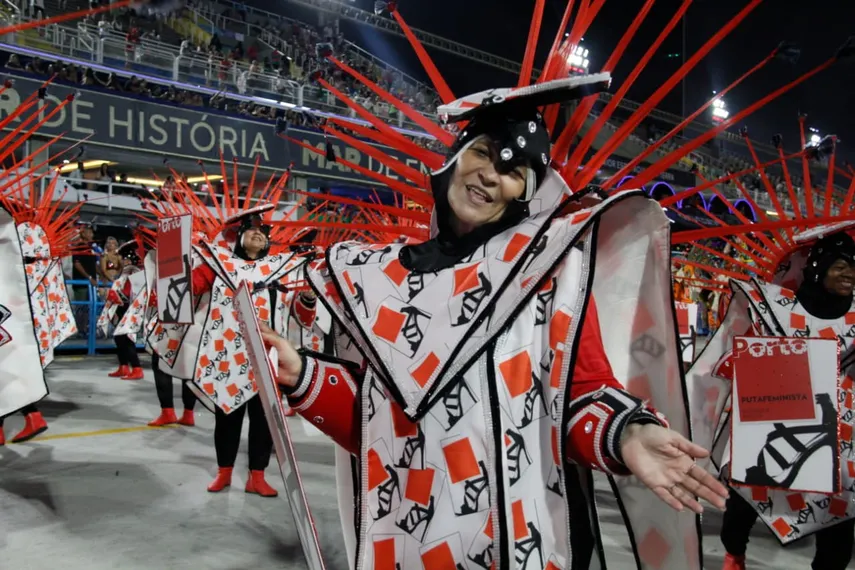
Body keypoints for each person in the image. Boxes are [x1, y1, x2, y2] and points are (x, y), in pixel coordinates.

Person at [259, 77, 729, 570]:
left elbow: (579, 397)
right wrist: (303, 376)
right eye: (484, 152)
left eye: (515, 170)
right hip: (407, 542)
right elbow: (379, 429)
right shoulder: (380, 280)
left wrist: (627, 434)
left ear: (526, 191)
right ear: (456, 155)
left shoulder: (548, 277)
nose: (491, 175)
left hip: (517, 543)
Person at [688, 231, 855, 570]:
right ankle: (734, 555)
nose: (850, 274)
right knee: (746, 497)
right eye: (841, 266)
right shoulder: (773, 307)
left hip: (841, 437)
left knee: (837, 518)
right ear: (818, 268)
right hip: (776, 424)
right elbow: (732, 355)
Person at [177, 207, 321, 497]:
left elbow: (303, 318)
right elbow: (187, 290)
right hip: (227, 357)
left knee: (265, 421)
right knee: (227, 418)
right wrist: (174, 262)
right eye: (252, 230)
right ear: (239, 236)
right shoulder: (218, 265)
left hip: (268, 360)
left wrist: (307, 297)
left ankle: (257, 476)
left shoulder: (282, 269)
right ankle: (224, 472)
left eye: (263, 232)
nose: (259, 234)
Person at [100, 241, 145, 380]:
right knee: (119, 338)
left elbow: (136, 294)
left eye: (126, 259)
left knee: (127, 338)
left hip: (130, 309)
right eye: (123, 258)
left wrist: (118, 296)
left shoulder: (138, 273)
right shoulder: (125, 273)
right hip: (120, 307)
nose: (123, 261)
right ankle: (123, 366)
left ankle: (137, 368)